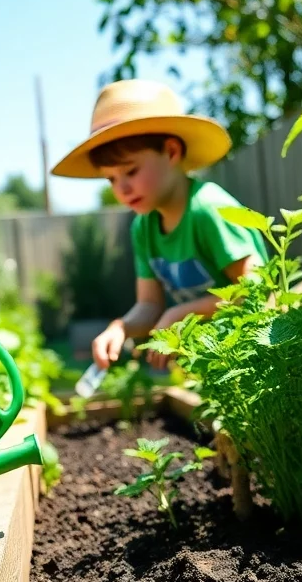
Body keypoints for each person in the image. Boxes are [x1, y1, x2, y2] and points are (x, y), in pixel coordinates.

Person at [52, 80, 267, 369]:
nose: (122, 189)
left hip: (263, 359)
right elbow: (150, 305)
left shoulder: (208, 210)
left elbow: (256, 293)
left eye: (131, 171)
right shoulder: (143, 227)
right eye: (112, 179)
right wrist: (121, 327)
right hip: (218, 366)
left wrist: (180, 315)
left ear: (171, 152)